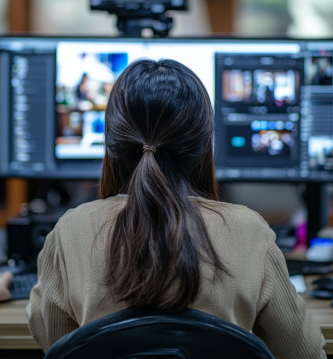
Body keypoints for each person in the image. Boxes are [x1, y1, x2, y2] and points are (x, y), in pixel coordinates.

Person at [0, 59, 326, 358]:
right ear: (204, 144)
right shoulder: (249, 231)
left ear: (111, 144)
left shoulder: (71, 230)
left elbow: (55, 341)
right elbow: (305, 352)